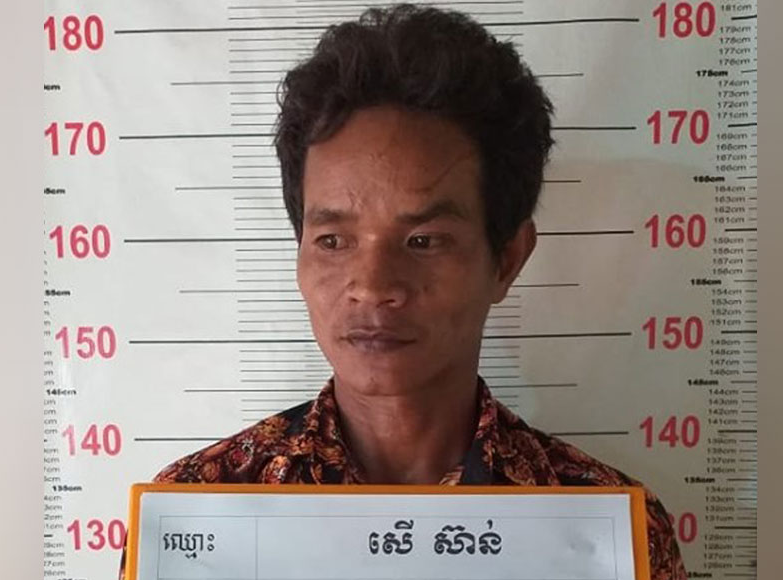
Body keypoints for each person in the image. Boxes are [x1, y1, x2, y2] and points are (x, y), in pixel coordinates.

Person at [121, 4, 686, 579]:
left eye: (423, 240)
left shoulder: (611, 537)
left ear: (506, 259)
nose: (372, 287)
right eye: (333, 240)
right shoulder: (199, 517)